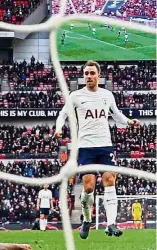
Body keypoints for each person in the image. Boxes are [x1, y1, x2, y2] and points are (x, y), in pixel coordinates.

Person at [54, 60, 140, 239]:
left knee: (109, 180)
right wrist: (59, 128)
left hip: (105, 145)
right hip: (85, 147)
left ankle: (111, 224)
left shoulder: (107, 95)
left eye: (92, 73)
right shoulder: (75, 96)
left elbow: (116, 114)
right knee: (89, 187)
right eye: (86, 73)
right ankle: (86, 220)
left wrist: (129, 122)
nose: (88, 76)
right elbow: (62, 114)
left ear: (98, 75)